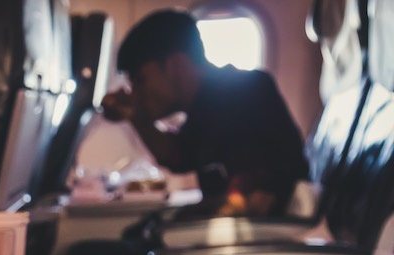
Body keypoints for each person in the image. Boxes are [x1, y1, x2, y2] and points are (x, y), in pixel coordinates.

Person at [101, 9, 309, 217]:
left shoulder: (245, 93)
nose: (135, 94)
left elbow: (255, 198)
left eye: (140, 80)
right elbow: (178, 156)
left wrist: (178, 218)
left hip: (265, 236)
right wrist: (135, 116)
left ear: (176, 65)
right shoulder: (206, 105)